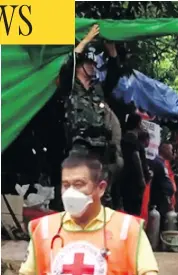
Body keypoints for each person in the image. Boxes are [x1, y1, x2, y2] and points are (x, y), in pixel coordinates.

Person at [19, 151, 158, 275]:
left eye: (79, 184)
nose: (70, 192)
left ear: (101, 188)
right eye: (66, 185)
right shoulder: (44, 229)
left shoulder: (128, 229)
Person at [59, 24, 124, 209]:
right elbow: (67, 65)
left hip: (101, 150)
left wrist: (112, 53)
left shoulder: (97, 90)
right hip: (79, 147)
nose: (93, 68)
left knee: (102, 196)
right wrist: (86, 41)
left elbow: (114, 77)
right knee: (79, 193)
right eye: (89, 64)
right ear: (80, 66)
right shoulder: (71, 88)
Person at [121, 113, 150, 216]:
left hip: (130, 180)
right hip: (133, 181)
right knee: (133, 210)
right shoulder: (131, 139)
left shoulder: (127, 138)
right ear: (138, 124)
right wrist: (141, 178)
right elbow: (136, 157)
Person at [148, 141, 176, 228]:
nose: (173, 152)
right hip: (158, 200)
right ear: (164, 149)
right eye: (171, 149)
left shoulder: (164, 164)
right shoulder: (156, 162)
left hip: (165, 200)